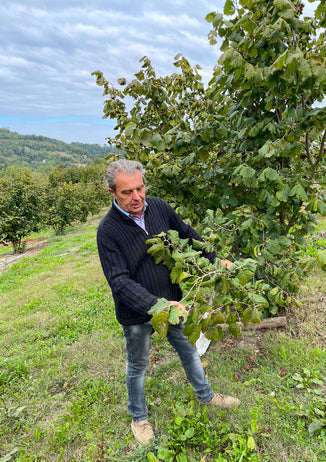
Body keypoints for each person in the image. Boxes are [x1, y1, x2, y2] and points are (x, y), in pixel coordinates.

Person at [97, 158, 239, 446]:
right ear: (112, 193)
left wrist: (215, 259)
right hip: (137, 312)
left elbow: (187, 235)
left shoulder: (159, 207)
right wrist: (158, 306)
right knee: (137, 365)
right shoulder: (108, 231)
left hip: (174, 303)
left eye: (140, 188)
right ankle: (139, 418)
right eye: (127, 192)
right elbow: (120, 282)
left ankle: (207, 396)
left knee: (188, 349)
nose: (136, 197)